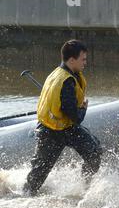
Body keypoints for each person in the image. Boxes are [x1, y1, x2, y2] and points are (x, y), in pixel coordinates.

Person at [23, 40, 102, 197]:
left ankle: (84, 187)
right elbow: (75, 117)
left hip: (61, 127)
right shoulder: (66, 81)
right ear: (72, 60)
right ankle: (25, 196)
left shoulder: (58, 73)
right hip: (53, 132)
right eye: (83, 59)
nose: (85, 62)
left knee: (94, 151)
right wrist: (84, 109)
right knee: (39, 174)